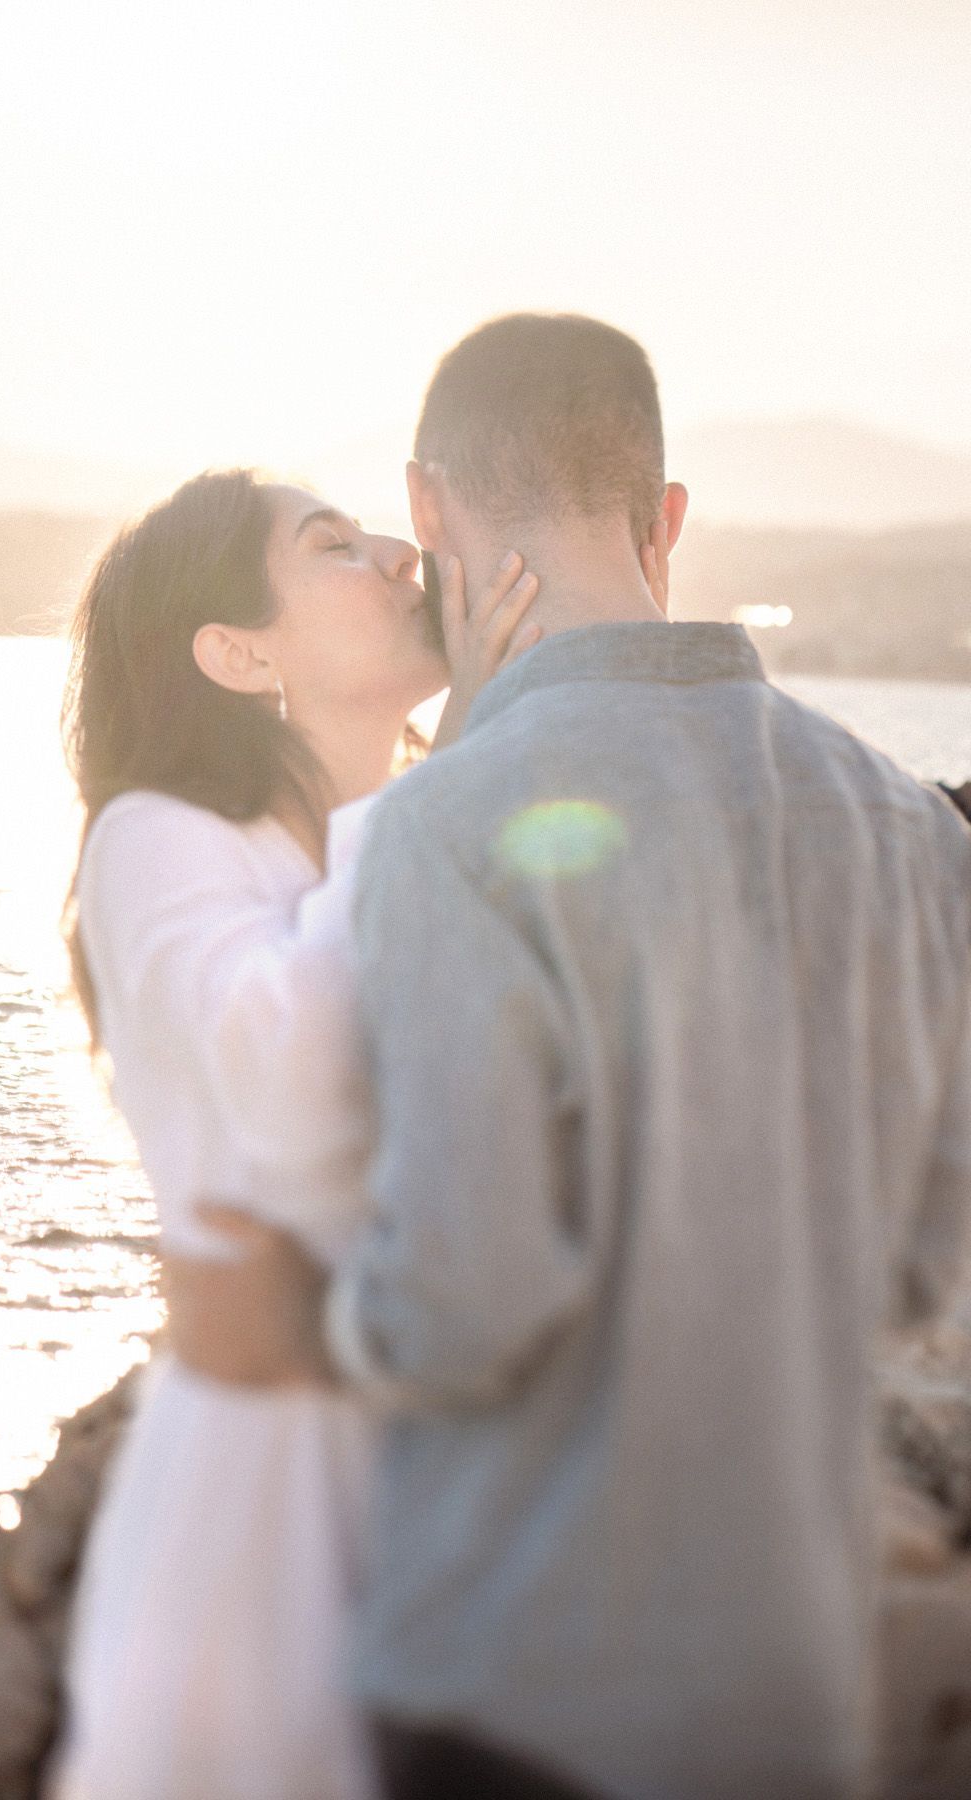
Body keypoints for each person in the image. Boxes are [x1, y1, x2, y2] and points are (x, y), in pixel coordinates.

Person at [162, 314, 971, 1800]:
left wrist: (297, 1309)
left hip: (514, 1687)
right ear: (669, 519)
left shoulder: (442, 830)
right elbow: (925, 1253)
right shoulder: (913, 830)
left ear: (428, 508)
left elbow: (469, 1303)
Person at [48, 465, 565, 1800]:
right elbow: (290, 1092)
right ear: (236, 651)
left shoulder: (440, 828)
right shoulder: (155, 838)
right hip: (264, 1514)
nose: (399, 554)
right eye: (334, 545)